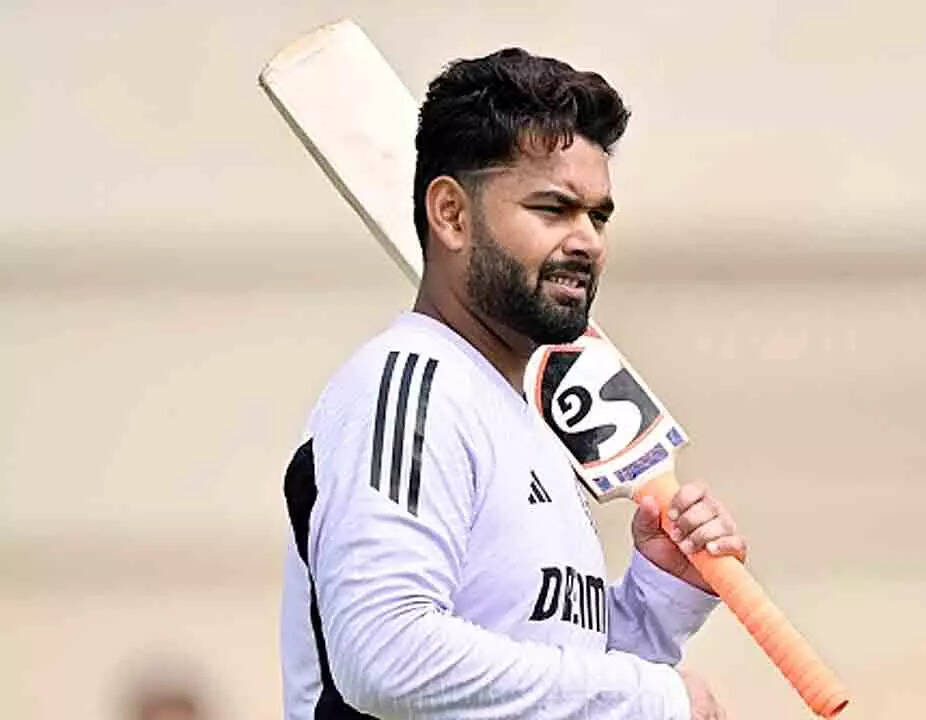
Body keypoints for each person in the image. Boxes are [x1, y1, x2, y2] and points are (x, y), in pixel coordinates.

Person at [281, 47, 747, 719]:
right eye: (553, 209)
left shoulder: (526, 418)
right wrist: (647, 700)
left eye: (598, 216)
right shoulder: (411, 385)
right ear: (451, 214)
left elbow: (542, 683)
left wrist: (659, 598)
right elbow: (386, 656)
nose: (588, 241)